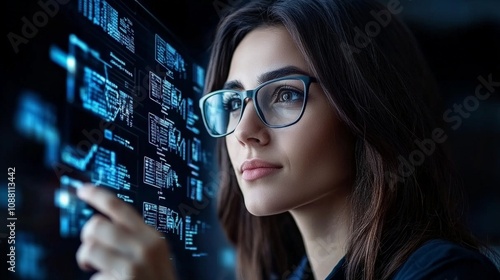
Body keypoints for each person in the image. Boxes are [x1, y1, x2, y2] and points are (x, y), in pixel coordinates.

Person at [75, 0, 500, 279]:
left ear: (362, 108)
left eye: (285, 94)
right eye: (234, 102)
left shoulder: (446, 274)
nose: (244, 132)